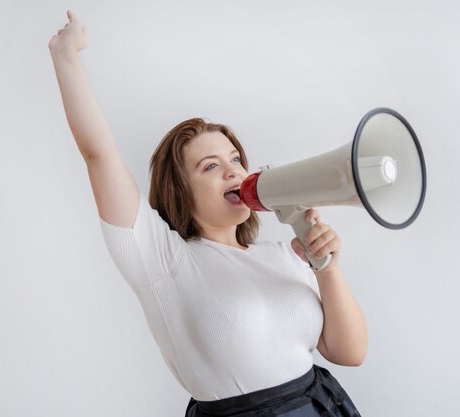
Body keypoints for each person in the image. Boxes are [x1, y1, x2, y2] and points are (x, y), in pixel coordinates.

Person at [49, 10, 369, 417]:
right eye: (211, 166)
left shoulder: (285, 255)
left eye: (235, 158)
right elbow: (98, 154)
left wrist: (327, 269)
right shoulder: (162, 260)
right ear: (180, 189)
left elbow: (350, 352)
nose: (234, 169)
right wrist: (65, 54)